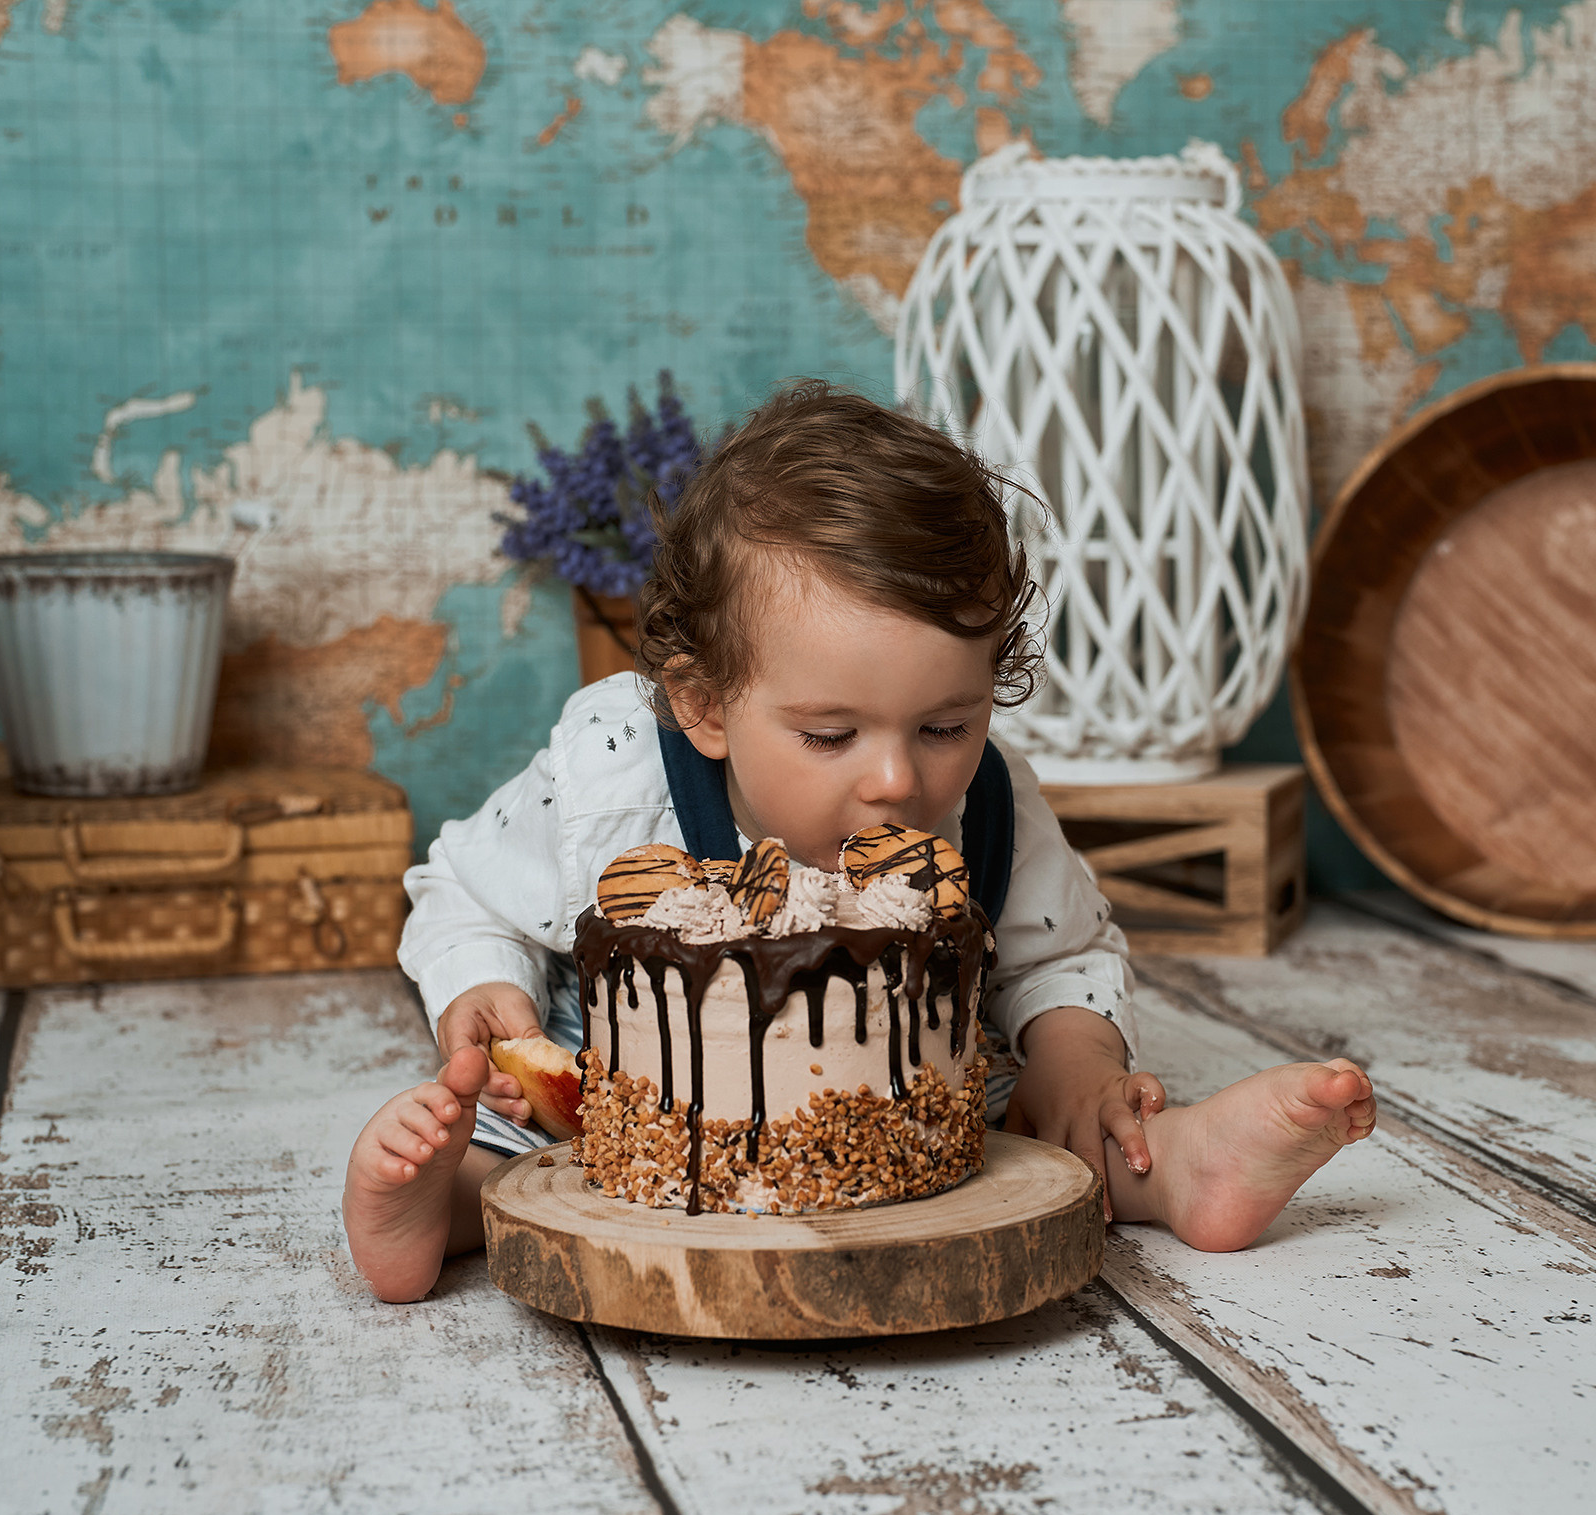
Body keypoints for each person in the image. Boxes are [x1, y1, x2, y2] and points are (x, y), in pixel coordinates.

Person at [345, 381, 1374, 1303]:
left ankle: (1187, 1166)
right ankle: (433, 1210)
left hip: (899, 1123)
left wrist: (1076, 1053)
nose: (899, 779)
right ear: (704, 702)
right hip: (636, 1116)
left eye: (945, 726)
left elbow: (1065, 951)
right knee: (519, 1155)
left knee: (1052, 1133)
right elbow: (463, 892)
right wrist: (480, 984)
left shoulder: (994, 800)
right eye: (831, 735)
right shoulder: (614, 769)